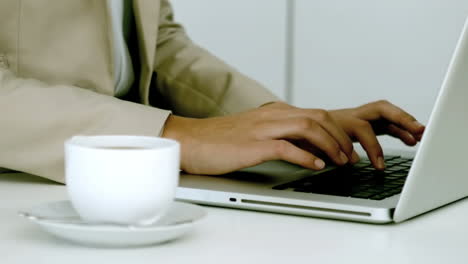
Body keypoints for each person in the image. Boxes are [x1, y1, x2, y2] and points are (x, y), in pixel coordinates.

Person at [0, 0, 424, 183]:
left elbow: (159, 44)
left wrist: (281, 121)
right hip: (25, 187)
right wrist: (175, 135)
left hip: (122, 188)